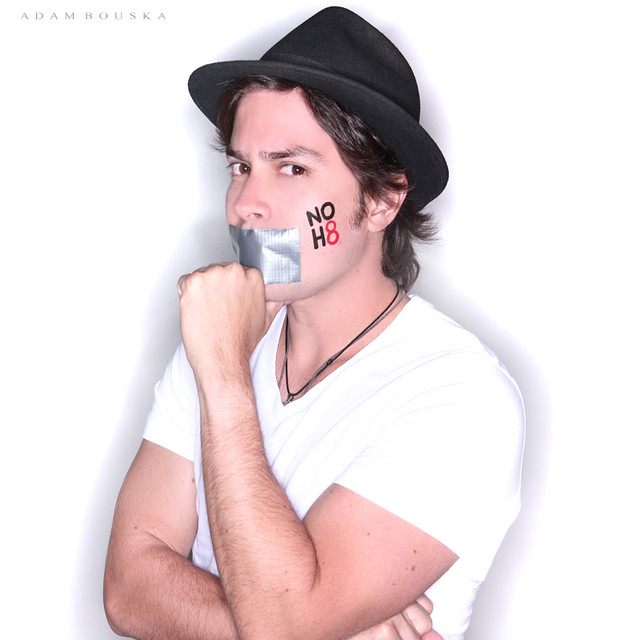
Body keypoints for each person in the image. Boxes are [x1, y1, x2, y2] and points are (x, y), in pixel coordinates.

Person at [104, 7, 525, 640]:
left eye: (292, 168)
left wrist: (223, 377)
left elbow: (281, 626)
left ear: (382, 200)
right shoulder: (224, 336)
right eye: (241, 167)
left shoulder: (461, 394)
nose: (247, 205)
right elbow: (127, 589)